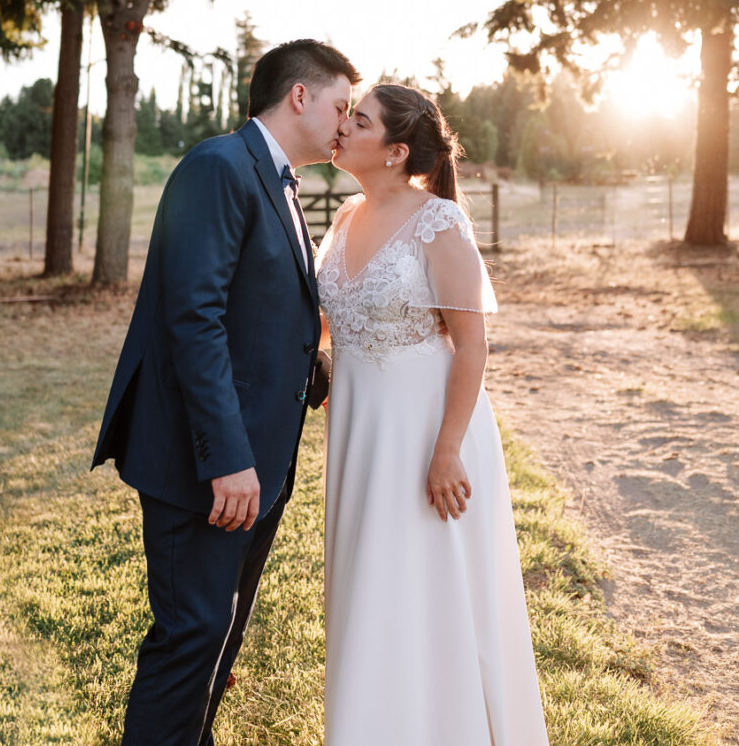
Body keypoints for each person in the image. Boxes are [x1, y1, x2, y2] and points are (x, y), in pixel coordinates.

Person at [92, 39, 359, 746]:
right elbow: (195, 319)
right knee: (193, 637)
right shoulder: (218, 167)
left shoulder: (277, 181)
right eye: (341, 105)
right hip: (206, 465)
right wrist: (225, 457)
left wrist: (323, 373)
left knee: (219, 638)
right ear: (299, 95)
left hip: (260, 467)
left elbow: (268, 313)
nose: (346, 122)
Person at [318, 83, 549, 746]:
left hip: (430, 431)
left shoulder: (439, 224)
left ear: (395, 151)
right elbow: (337, 322)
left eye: (357, 120)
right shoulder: (344, 218)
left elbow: (473, 345)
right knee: (369, 582)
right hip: (362, 427)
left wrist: (446, 450)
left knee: (427, 584)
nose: (342, 125)